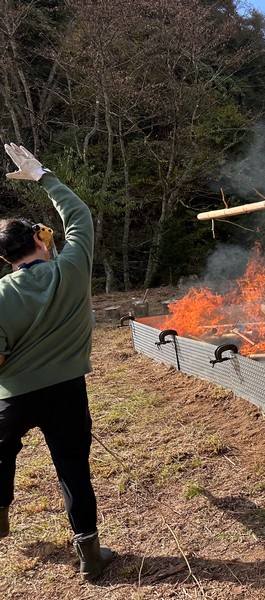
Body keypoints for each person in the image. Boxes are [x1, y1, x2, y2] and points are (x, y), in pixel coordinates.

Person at [0, 143, 114, 580]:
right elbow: (78, 215)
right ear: (37, 238)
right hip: (67, 391)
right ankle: (89, 555)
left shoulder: (3, 294)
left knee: (1, 454)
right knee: (72, 470)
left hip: (12, 396)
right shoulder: (73, 266)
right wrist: (43, 175)